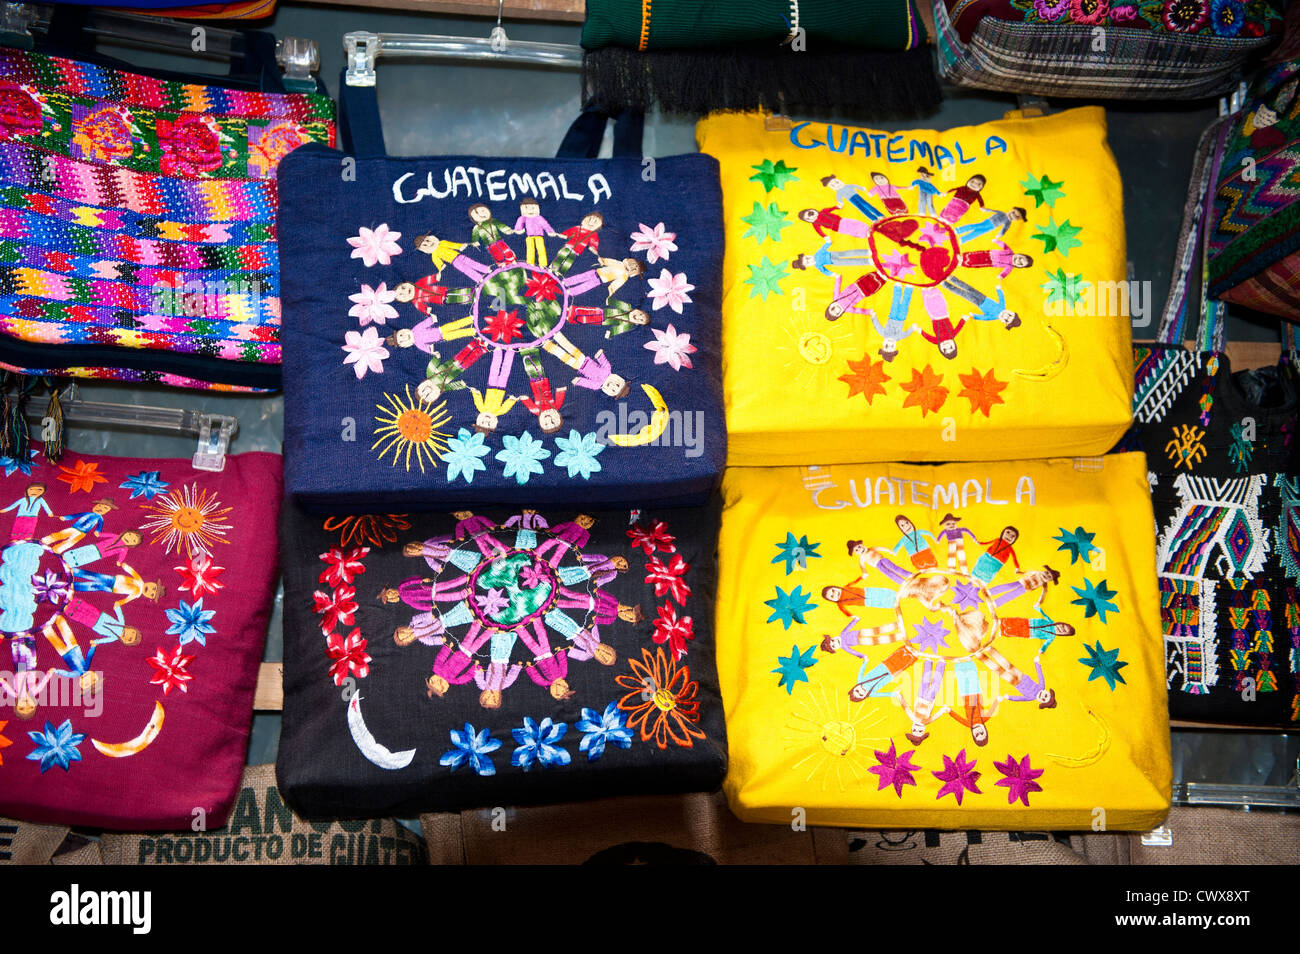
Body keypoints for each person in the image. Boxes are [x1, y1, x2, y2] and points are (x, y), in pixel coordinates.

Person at [40, 499, 116, 554]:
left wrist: (97, 531)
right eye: (99, 505)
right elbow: (75, 515)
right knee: (61, 534)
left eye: (105, 508)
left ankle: (58, 549)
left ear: (108, 511)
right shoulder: (86, 513)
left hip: (82, 533)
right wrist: (66, 518)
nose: (100, 508)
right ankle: (47, 540)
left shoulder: (100, 518)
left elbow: (100, 525)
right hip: (73, 528)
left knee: (70, 542)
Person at [514, 200, 557, 267]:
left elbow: (545, 225)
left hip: (539, 236)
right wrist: (518, 229)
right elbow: (519, 223)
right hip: (529, 236)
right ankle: (530, 263)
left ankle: (543, 264)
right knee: (530, 250)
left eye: (533, 208)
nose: (530, 210)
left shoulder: (539, 218)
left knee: (541, 250)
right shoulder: (524, 218)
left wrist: (550, 231)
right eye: (527, 208)